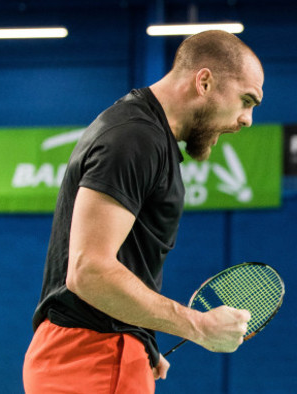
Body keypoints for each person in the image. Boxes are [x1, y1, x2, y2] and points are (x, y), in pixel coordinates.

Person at [22, 30, 264, 393]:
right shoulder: (135, 137)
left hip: (103, 353)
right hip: (90, 358)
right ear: (205, 82)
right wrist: (197, 325)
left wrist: (139, 336)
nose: (246, 119)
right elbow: (88, 270)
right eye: (246, 100)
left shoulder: (146, 135)